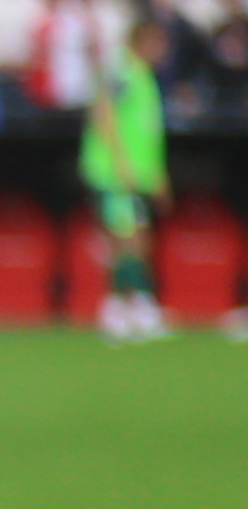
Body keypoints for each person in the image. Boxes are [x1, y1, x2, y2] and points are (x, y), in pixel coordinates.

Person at [81, 21, 169, 341]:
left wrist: (157, 175)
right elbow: (103, 111)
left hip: (136, 174)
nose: (163, 52)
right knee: (127, 238)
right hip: (116, 173)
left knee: (137, 237)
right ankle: (123, 307)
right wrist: (121, 163)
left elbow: (147, 133)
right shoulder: (123, 71)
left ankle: (131, 305)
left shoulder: (144, 76)